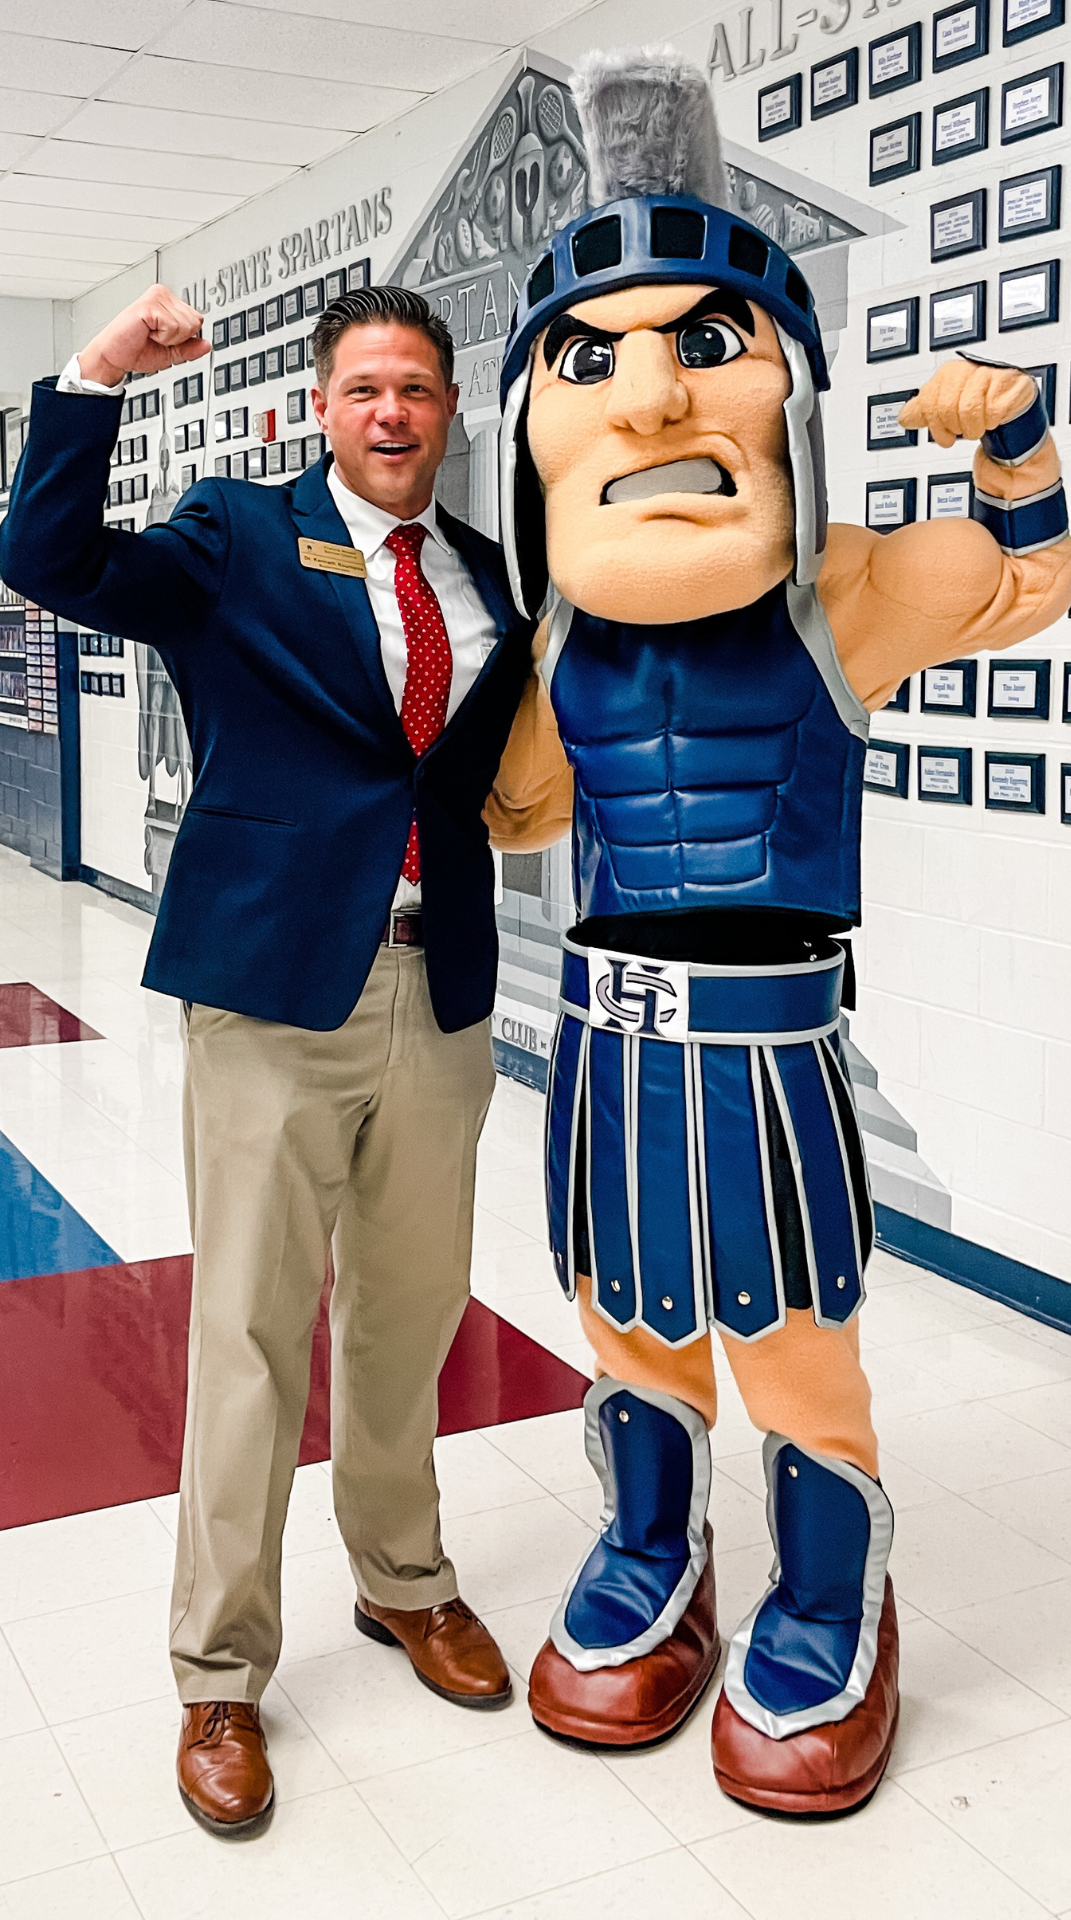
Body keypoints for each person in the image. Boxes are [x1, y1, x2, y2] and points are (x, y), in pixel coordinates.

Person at [485, 45, 1071, 1817]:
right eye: (595, 359)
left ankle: (832, 1601)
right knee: (626, 1321)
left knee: (792, 1332)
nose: (654, 398)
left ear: (787, 387)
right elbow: (517, 812)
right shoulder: (559, 647)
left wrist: (1017, 436)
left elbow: (1035, 572)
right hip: (604, 1052)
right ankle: (652, 1557)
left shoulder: (849, 592)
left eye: (706, 342)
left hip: (772, 1052)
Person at [0, 282, 532, 1838]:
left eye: (415, 388)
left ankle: (404, 1580)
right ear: (322, 405)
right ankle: (220, 1670)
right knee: (249, 1331)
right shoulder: (237, 535)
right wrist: (98, 372)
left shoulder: (490, 573)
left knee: (410, 1313)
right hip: (273, 996)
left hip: (441, 990)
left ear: (446, 408)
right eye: (363, 387)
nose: (390, 412)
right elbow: (46, 560)